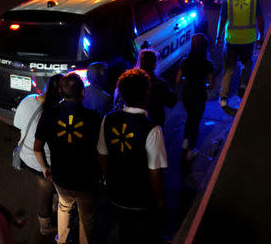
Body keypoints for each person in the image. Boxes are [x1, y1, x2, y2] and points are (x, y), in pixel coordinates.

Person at [98, 68, 168, 244]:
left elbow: (103, 154)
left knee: (124, 230)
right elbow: (154, 170)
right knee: (146, 233)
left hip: (116, 192)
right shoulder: (152, 129)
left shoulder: (108, 118)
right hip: (142, 196)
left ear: (120, 94)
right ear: (147, 93)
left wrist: (108, 179)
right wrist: (160, 198)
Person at [34, 73, 102, 244]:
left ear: (60, 91)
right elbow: (102, 152)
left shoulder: (49, 113)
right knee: (86, 216)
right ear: (83, 92)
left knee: (64, 207)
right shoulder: (94, 117)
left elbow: (37, 147)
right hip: (86, 180)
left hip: (60, 176)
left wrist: (45, 167)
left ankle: (62, 240)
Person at [13, 73, 63, 235]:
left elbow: (17, 124)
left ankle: (55, 204)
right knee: (45, 191)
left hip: (25, 157)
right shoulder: (56, 113)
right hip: (43, 163)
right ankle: (45, 226)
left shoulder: (28, 100)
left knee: (49, 187)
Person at [215, 0, 264, 108]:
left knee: (229, 69)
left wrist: (218, 37)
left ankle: (223, 97)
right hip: (248, 39)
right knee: (246, 63)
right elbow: (260, 18)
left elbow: (222, 19)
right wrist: (261, 36)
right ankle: (243, 85)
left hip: (232, 40)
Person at [176, 34, 214, 161]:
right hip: (199, 95)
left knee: (189, 119)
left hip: (187, 95)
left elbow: (177, 80)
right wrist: (205, 84)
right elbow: (211, 85)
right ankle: (190, 151)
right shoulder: (208, 64)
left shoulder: (185, 61)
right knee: (195, 122)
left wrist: (186, 78)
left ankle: (185, 143)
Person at [137, 49, 177, 128]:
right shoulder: (160, 84)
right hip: (154, 125)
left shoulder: (129, 80)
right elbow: (170, 103)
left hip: (135, 125)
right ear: (154, 64)